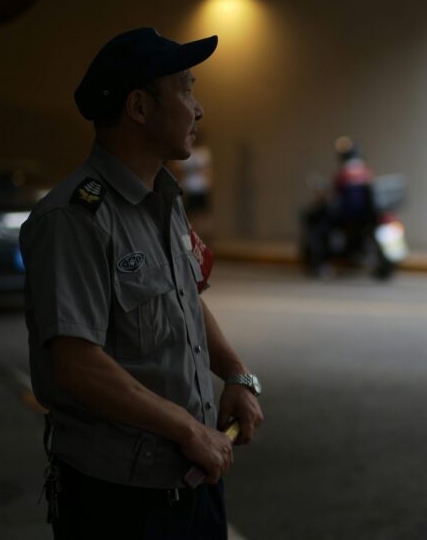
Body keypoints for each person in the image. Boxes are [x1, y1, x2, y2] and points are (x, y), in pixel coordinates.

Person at [20, 28, 264, 540]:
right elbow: (77, 365)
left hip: (194, 481)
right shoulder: (74, 219)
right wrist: (188, 429)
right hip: (119, 502)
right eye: (186, 90)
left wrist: (236, 374)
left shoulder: (164, 199)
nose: (198, 110)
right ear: (138, 107)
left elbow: (185, 300)